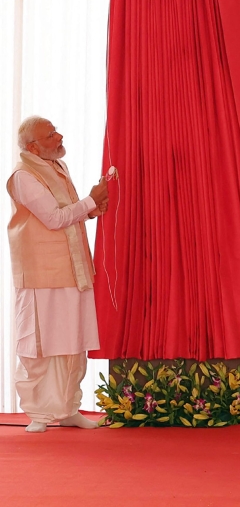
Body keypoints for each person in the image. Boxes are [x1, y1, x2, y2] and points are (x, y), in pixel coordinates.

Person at [6, 116, 108, 432]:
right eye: (51, 134)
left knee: (72, 341)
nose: (59, 136)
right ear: (33, 146)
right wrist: (90, 199)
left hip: (71, 269)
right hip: (40, 273)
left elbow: (68, 215)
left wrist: (90, 210)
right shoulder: (23, 176)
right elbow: (52, 218)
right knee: (39, 344)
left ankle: (68, 408)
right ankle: (39, 413)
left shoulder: (56, 168)